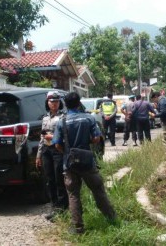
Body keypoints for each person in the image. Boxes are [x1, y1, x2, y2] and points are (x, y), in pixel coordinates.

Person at [52, 92, 117, 234]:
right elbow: (96, 139)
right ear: (79, 103)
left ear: (65, 104)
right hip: (88, 162)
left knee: (73, 195)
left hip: (69, 164)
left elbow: (56, 145)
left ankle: (78, 228)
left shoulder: (61, 122)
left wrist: (68, 152)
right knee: (98, 190)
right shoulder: (89, 118)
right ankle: (112, 218)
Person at [36, 91, 67, 220]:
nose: (54, 104)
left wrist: (52, 137)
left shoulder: (63, 117)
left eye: (56, 102)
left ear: (59, 103)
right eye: (51, 101)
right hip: (46, 151)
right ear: (47, 103)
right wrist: (38, 155)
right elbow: (42, 138)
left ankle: (62, 208)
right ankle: (54, 205)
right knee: (49, 179)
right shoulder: (44, 117)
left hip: (58, 150)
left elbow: (65, 136)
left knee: (59, 178)